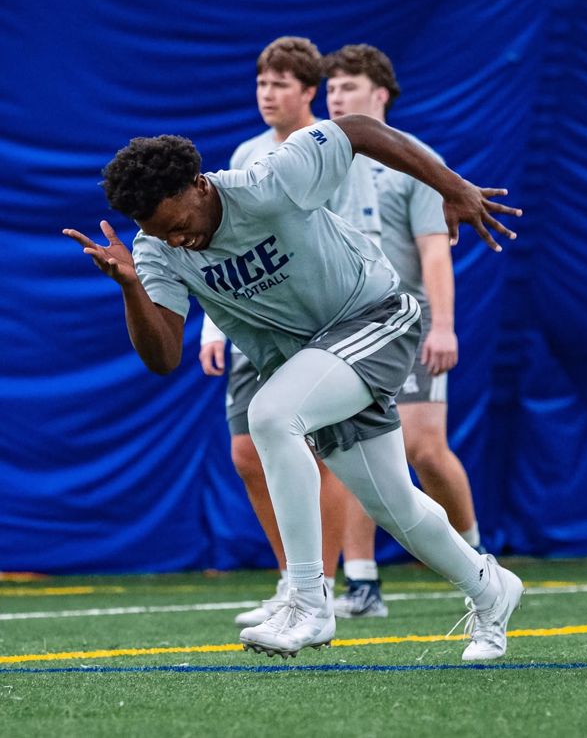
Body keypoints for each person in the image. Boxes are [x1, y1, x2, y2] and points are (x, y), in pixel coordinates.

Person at [63, 111, 523, 660]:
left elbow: (359, 129)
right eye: (162, 233)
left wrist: (452, 186)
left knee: (271, 415)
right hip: (313, 358)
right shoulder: (156, 249)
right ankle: (491, 589)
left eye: (177, 223)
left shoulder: (271, 180)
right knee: (394, 505)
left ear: (199, 185)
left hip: (374, 317)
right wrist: (131, 288)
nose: (177, 239)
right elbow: (163, 357)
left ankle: (308, 601)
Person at [198, 37, 381, 627]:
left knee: (321, 456)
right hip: (256, 327)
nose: (267, 94)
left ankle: (317, 588)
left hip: (323, 323)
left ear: (309, 92)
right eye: (261, 83)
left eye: (280, 84)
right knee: (247, 453)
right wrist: (211, 327)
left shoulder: (333, 147)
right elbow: (218, 246)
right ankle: (291, 582)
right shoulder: (247, 153)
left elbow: (361, 235)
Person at [324, 44, 486, 619]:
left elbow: (434, 251)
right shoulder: (319, 158)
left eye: (347, 87)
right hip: (343, 329)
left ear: (381, 94)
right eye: (331, 89)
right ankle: (362, 584)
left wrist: (444, 327)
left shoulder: (414, 159)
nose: (336, 98)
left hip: (407, 323)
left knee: (424, 451)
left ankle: (477, 560)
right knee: (354, 450)